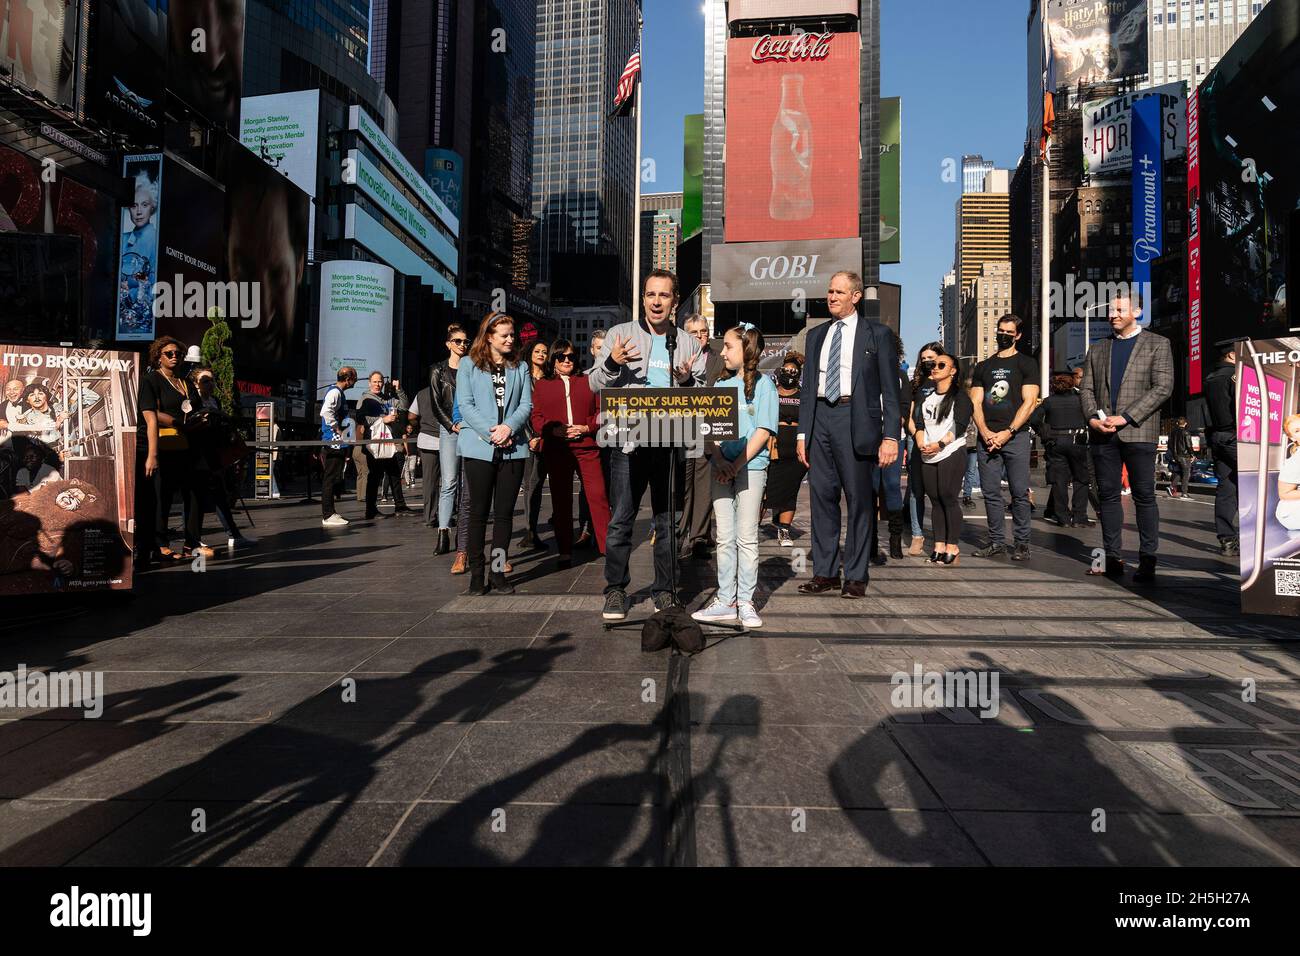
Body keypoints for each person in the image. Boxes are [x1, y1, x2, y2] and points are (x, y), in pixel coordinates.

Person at [589, 269, 707, 621]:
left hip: (670, 444)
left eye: (664, 295)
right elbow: (594, 384)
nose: (656, 301)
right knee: (622, 519)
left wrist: (686, 382)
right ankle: (615, 590)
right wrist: (612, 362)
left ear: (674, 301)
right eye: (650, 294)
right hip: (628, 442)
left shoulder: (687, 342)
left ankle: (666, 591)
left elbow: (700, 395)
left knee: (668, 522)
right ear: (643, 298)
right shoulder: (619, 334)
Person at [795, 271, 901, 599]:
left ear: (856, 297)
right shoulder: (815, 336)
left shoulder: (878, 335)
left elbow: (890, 389)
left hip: (856, 419)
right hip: (821, 420)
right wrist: (802, 433)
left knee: (859, 502)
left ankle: (855, 575)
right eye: (829, 291)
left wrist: (891, 437)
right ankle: (825, 573)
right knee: (821, 498)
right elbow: (809, 387)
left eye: (839, 292)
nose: (832, 297)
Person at [1079, 296, 1175, 582]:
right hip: (1102, 434)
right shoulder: (1097, 348)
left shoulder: (1158, 344)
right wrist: (1092, 419)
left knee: (1144, 496)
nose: (1112, 314)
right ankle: (1112, 557)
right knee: (1107, 495)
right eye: (1110, 310)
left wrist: (1126, 416)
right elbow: (1086, 389)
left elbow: (1163, 387)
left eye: (1119, 310)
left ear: (1137, 311)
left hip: (1139, 431)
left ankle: (1148, 559)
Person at [693, 324, 777, 628]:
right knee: (725, 537)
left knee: (746, 536)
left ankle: (745, 600)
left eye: (728, 347)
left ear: (746, 350)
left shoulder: (765, 386)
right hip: (722, 468)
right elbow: (710, 432)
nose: (723, 352)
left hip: (750, 468)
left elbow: (763, 431)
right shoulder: (719, 387)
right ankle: (725, 599)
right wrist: (718, 459)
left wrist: (737, 464)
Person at [456, 312, 533, 595]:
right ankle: (477, 574)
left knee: (504, 515)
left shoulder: (520, 368)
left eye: (512, 335)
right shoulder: (468, 365)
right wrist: (492, 431)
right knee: (478, 513)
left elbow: (526, 405)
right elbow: (465, 404)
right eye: (505, 335)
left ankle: (498, 572)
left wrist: (509, 428)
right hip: (479, 447)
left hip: (513, 450)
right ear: (489, 336)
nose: (511, 339)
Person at [530, 338, 610, 567]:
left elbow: (601, 412)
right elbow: (537, 417)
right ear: (553, 360)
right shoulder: (543, 385)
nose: (567, 360)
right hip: (558, 449)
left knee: (598, 496)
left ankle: (607, 548)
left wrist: (586, 426)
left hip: (587, 447)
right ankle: (564, 550)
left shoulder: (587, 381)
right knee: (561, 500)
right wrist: (554, 430)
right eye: (561, 357)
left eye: (571, 356)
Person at [970, 315, 1040, 562]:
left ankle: (1022, 543)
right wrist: (986, 432)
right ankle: (997, 541)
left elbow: (1030, 402)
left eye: (1009, 332)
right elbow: (975, 402)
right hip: (986, 439)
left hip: (1016, 437)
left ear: (1017, 335)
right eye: (1000, 330)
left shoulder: (1027, 364)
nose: (1003, 335)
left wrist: (1008, 432)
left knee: (1020, 493)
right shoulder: (983, 367)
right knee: (990, 493)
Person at [136, 336, 206, 564]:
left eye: (178, 353)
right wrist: (177, 423)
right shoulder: (151, 380)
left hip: (188, 446)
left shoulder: (185, 382)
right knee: (161, 498)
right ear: (158, 356)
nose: (175, 357)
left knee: (195, 494)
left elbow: (196, 408)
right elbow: (150, 414)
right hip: (163, 445)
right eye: (169, 353)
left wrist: (200, 420)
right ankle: (160, 545)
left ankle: (192, 543)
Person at [912, 349, 971, 565]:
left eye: (941, 365)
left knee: (948, 496)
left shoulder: (961, 397)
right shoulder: (926, 398)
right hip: (928, 453)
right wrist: (921, 444)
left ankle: (952, 547)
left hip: (951, 451)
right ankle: (938, 545)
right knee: (935, 500)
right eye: (933, 365)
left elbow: (960, 426)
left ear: (953, 371)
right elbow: (918, 423)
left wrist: (939, 444)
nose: (935, 368)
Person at [677, 313, 726, 559]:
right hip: (681, 429)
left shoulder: (720, 360)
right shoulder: (676, 355)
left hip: (707, 429)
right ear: (686, 334)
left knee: (704, 487)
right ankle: (679, 534)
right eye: (694, 332)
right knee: (683, 485)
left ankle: (698, 537)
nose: (699, 336)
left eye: (703, 332)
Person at [191, 367, 255, 546]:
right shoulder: (193, 401)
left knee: (220, 494)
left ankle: (233, 534)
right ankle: (194, 538)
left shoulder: (214, 401)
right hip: (198, 454)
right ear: (196, 384)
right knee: (196, 498)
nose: (210, 384)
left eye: (212, 380)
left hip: (215, 453)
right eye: (205, 381)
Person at [870, 332, 909, 563]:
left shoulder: (900, 375)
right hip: (870, 440)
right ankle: (871, 540)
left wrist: (890, 434)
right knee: (870, 489)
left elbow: (904, 409)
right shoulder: (866, 372)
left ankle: (895, 537)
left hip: (894, 437)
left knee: (892, 485)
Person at [765, 352, 807, 548]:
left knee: (791, 491)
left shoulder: (803, 395)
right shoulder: (771, 392)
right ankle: (750, 529)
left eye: (794, 371)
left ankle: (784, 530)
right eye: (787, 370)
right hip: (774, 449)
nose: (790, 373)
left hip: (795, 450)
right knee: (766, 491)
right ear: (780, 371)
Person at [1202, 340, 1240, 555]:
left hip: (1217, 436)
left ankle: (1227, 540)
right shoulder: (1235, 375)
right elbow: (1241, 406)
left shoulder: (1211, 377)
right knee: (1262, 481)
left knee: (1226, 488)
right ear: (1233, 356)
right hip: (1235, 436)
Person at [904, 343, 942, 556]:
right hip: (917, 439)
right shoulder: (915, 384)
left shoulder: (947, 381)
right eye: (924, 357)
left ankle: (941, 536)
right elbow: (909, 415)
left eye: (932, 357)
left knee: (939, 491)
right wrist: (917, 437)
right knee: (916, 490)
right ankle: (917, 535)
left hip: (942, 441)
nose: (928, 361)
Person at [1040, 371, 1091, 527]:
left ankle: (1062, 517)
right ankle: (1079, 517)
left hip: (1056, 442)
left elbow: (1035, 419)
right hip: (1078, 441)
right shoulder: (1080, 400)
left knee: (1059, 481)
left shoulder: (1048, 402)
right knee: (1081, 479)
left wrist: (1045, 434)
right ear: (1071, 383)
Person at [577, 327, 610, 545]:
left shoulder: (618, 376)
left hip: (613, 438)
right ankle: (586, 528)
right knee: (586, 488)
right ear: (591, 350)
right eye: (598, 348)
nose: (602, 353)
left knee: (612, 485)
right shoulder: (585, 378)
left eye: (605, 348)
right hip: (590, 438)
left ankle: (608, 530)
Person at [357, 372, 406, 519]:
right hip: (374, 443)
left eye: (380, 382)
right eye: (375, 381)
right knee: (375, 476)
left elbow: (404, 406)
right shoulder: (365, 398)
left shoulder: (387, 399)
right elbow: (360, 418)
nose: (377, 384)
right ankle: (370, 510)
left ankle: (400, 506)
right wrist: (382, 419)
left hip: (388, 441)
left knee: (394, 473)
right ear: (369, 382)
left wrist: (399, 390)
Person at [519, 340, 551, 550]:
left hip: (545, 436)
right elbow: (519, 409)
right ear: (530, 353)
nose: (541, 354)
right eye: (537, 351)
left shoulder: (550, 379)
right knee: (529, 484)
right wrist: (530, 436)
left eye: (545, 352)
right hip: (524, 436)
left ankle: (532, 531)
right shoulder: (521, 377)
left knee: (537, 484)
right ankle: (529, 530)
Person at [320, 366, 357, 528]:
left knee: (334, 477)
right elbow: (326, 412)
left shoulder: (338, 393)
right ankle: (328, 515)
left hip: (337, 441)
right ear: (348, 379)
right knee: (330, 477)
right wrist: (337, 429)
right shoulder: (335, 392)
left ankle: (331, 512)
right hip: (333, 440)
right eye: (354, 378)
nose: (355, 381)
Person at [1278, 415, 1300, 532]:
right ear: (1292, 438)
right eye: (1297, 431)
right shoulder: (1296, 461)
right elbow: (1284, 494)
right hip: (1291, 511)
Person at [1167, 416, 1193, 499]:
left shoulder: (1172, 432)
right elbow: (1189, 445)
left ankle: (1171, 486)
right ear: (1185, 423)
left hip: (1176, 456)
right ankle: (1184, 493)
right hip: (1184, 456)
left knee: (1180, 472)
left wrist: (1174, 455)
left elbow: (1170, 445)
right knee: (1186, 474)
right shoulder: (1186, 432)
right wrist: (1192, 454)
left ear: (1177, 423)